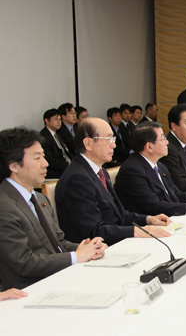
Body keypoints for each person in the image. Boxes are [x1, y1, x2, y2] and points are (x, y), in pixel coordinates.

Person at [0, 127, 107, 289]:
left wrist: (87, 248)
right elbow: (24, 263)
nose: (46, 163)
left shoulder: (39, 198)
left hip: (58, 277)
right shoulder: (4, 205)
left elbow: (57, 242)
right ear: (14, 166)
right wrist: (76, 256)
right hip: (30, 289)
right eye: (37, 158)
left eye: (43, 155)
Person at [55, 118, 172, 246]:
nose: (114, 145)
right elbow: (94, 231)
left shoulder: (101, 172)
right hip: (95, 252)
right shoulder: (77, 178)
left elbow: (118, 215)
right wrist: (138, 231)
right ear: (88, 143)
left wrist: (148, 219)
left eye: (114, 139)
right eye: (108, 139)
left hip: (115, 242)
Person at [114, 122, 186, 216]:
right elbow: (154, 206)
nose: (167, 142)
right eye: (163, 138)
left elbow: (178, 194)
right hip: (149, 227)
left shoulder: (160, 166)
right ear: (149, 146)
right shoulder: (132, 171)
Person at [40, 109, 73, 178]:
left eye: (60, 120)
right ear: (47, 121)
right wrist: (67, 164)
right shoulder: (43, 137)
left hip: (66, 166)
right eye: (56, 119)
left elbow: (66, 152)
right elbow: (49, 159)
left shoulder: (58, 135)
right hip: (54, 170)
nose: (59, 122)